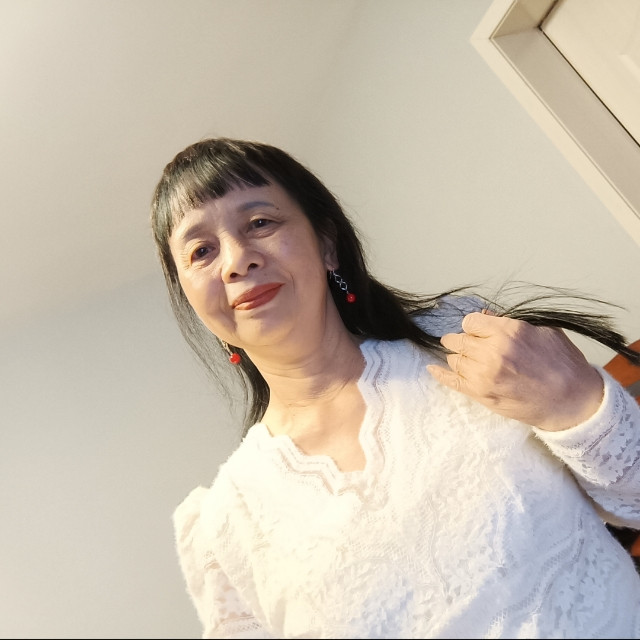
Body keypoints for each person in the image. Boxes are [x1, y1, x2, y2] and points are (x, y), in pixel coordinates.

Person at [150, 137, 640, 639]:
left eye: (260, 223)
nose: (237, 260)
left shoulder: (465, 342)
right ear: (191, 300)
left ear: (327, 244)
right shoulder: (225, 525)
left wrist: (576, 401)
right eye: (201, 251)